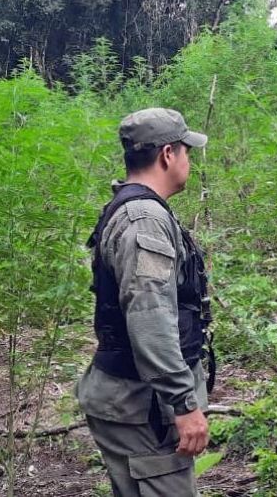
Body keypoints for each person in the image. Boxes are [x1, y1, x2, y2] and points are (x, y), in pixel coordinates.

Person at [76, 107, 213, 497]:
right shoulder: (144, 220)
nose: (189, 162)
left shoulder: (135, 209)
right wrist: (183, 404)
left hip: (135, 402)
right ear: (168, 154)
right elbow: (150, 318)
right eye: (186, 151)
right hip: (142, 406)